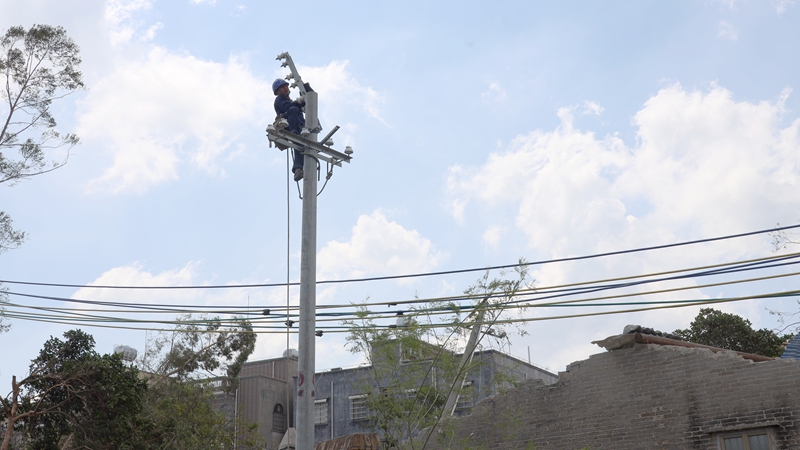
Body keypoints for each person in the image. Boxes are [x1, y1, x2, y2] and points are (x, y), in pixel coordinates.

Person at [273, 78, 313, 181]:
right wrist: (298, 103)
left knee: (300, 145)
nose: (285, 88)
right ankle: (294, 132)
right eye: (282, 87)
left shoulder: (290, 102)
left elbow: (310, 99)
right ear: (277, 91)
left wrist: (304, 87)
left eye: (286, 86)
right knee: (294, 109)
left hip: (297, 124)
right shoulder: (279, 100)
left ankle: (298, 169)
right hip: (286, 125)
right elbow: (288, 108)